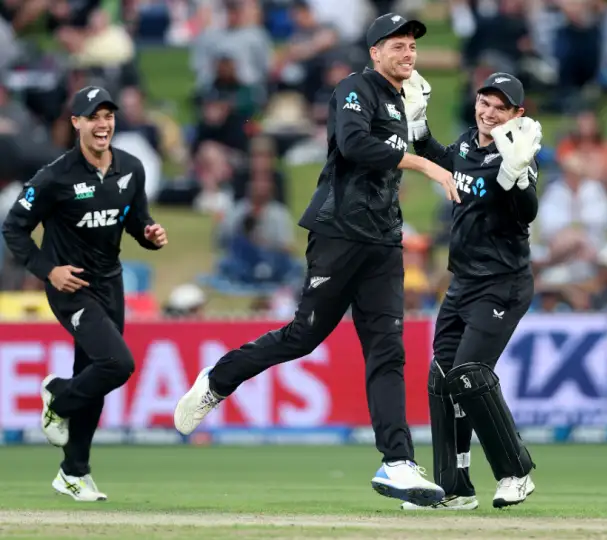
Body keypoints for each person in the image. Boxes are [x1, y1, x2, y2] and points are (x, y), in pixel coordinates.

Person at [173, 13, 458, 507]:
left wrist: (452, 143)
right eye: (397, 45)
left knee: (388, 350)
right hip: (338, 233)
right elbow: (354, 145)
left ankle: (397, 464)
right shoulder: (355, 89)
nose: (408, 53)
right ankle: (218, 380)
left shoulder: (406, 99)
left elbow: (437, 153)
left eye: (412, 46)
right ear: (374, 53)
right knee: (303, 336)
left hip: (383, 240)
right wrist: (422, 163)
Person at [1, 86, 167, 502]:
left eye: (108, 116)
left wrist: (149, 235)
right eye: (93, 117)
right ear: (76, 123)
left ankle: (73, 472)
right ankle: (57, 396)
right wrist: (48, 271)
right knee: (117, 363)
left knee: (93, 378)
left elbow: (135, 218)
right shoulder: (54, 176)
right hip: (70, 286)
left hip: (111, 283)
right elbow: (13, 227)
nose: (103, 124)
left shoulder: (131, 168)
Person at [399, 71, 542, 510]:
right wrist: (420, 129)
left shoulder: (517, 154)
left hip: (503, 284)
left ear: (517, 114)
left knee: (469, 374)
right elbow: (446, 161)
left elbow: (526, 212)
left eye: (500, 107)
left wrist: (517, 177)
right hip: (463, 281)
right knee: (443, 378)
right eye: (484, 101)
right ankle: (454, 488)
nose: (488, 112)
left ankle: (515, 473)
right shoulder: (467, 143)